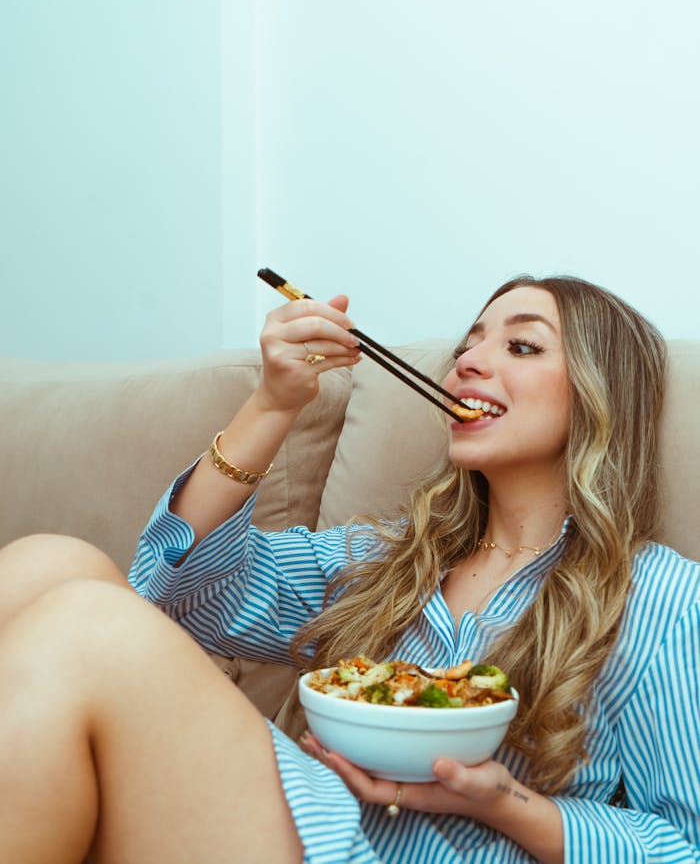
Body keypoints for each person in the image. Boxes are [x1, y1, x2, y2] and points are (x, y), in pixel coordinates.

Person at [0, 276, 698, 864]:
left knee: (85, 623)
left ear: (599, 395)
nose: (468, 364)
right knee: (53, 562)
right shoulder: (390, 558)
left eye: (521, 345)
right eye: (468, 345)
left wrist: (505, 802)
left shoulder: (660, 598)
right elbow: (179, 595)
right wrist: (273, 403)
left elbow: (684, 842)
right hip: (320, 819)